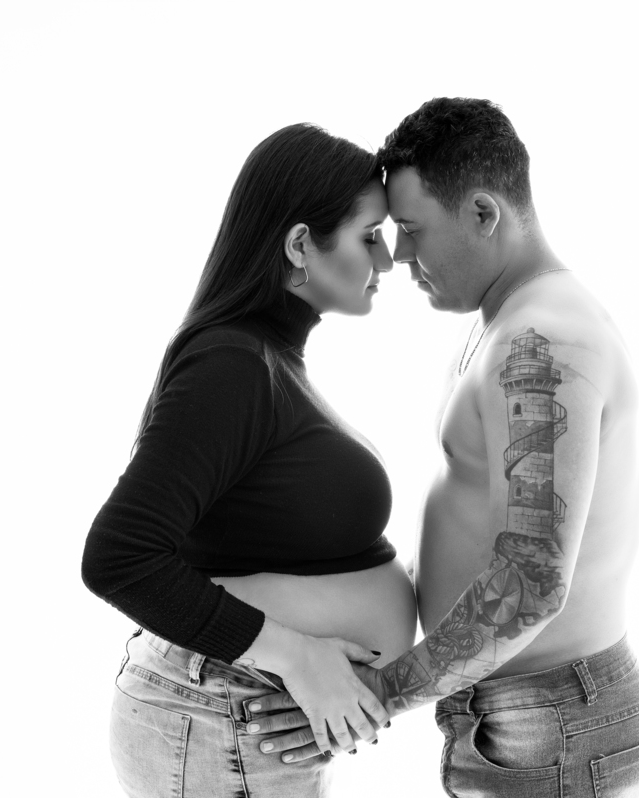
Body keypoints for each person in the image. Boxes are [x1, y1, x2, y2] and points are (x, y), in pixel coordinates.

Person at [256, 98, 639, 797]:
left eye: (412, 229)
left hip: (552, 727)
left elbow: (531, 581)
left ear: (482, 213)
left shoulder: (541, 344)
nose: (399, 256)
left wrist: (377, 693)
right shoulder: (511, 321)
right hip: (537, 716)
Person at [80, 123, 417, 798]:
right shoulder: (234, 364)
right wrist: (299, 656)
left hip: (237, 718)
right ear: (300, 244)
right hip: (219, 719)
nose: (387, 261)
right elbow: (117, 557)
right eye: (369, 237)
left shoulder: (268, 359)